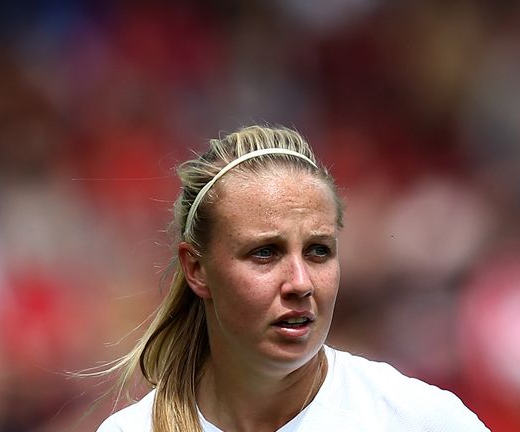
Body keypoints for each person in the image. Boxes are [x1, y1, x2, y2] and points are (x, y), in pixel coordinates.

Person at [96, 125, 489, 431]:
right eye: (265, 252)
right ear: (197, 269)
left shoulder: (416, 421)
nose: (300, 282)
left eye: (319, 251)